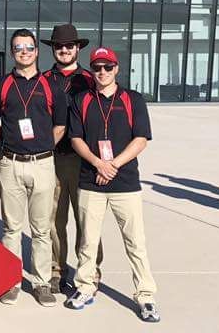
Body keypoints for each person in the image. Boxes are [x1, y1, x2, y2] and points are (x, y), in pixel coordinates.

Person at [65, 47, 159, 323]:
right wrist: (98, 163)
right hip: (91, 181)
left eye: (108, 67)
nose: (102, 72)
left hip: (125, 182)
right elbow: (76, 139)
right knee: (88, 241)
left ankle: (145, 295)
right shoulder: (81, 99)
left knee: (135, 242)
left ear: (116, 68)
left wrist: (112, 165)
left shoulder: (133, 99)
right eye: (97, 67)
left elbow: (141, 139)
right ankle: (85, 287)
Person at [0, 29, 67, 307]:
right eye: (18, 48)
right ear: (12, 52)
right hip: (10, 164)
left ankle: (42, 283)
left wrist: (41, 148)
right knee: (11, 228)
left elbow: (60, 126)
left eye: (29, 47)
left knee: (41, 229)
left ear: (36, 51)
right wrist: (8, 145)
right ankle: (11, 281)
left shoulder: (51, 86)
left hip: (42, 164)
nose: (24, 52)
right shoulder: (1, 84)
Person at [39, 24, 102, 293]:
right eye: (59, 46)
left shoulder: (90, 80)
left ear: (77, 48)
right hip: (52, 158)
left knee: (86, 218)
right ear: (52, 49)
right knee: (53, 219)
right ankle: (57, 269)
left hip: (83, 159)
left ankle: (91, 270)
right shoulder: (42, 80)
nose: (64, 50)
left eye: (69, 46)